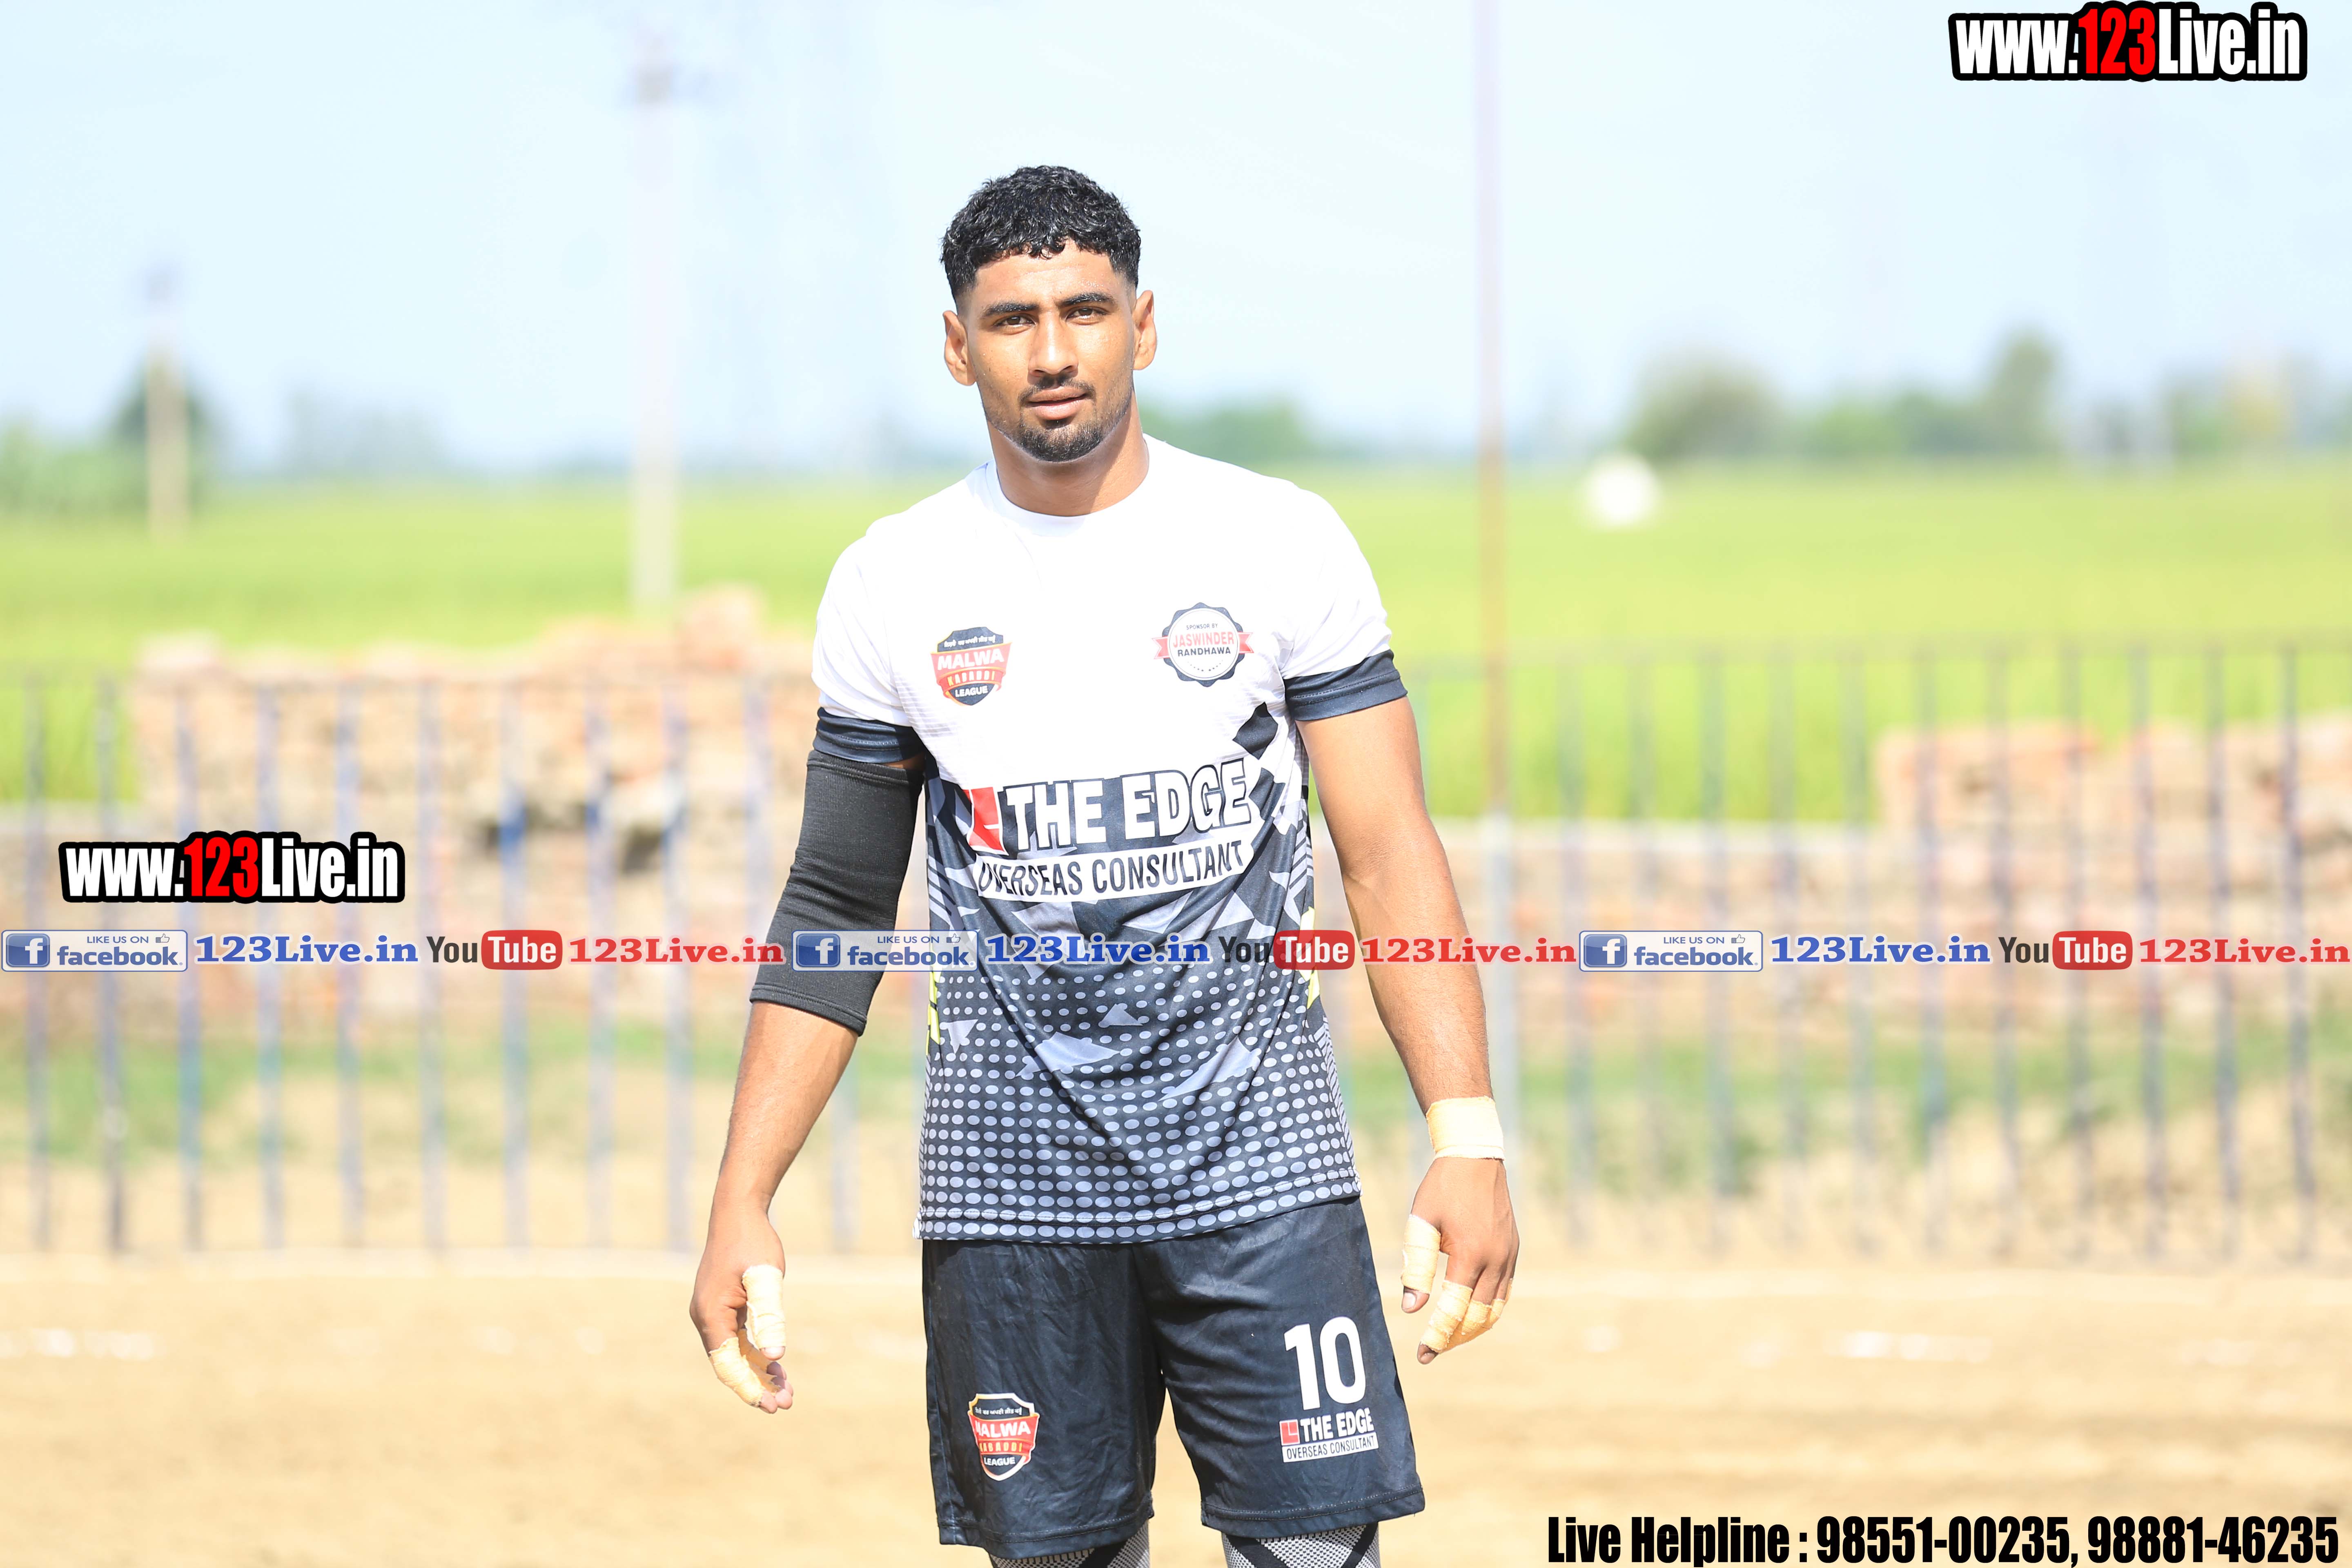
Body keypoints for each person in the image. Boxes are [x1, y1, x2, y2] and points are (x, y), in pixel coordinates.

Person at [689, 165, 1518, 1568]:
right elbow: (835, 907)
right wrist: (739, 1201)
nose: (1054, 351)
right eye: (1012, 320)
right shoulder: (894, 581)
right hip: (1011, 1187)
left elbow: (1387, 852)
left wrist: (1469, 1138)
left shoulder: (1278, 540)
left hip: (1262, 1166)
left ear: (1145, 323)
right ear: (958, 347)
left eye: (1085, 310)